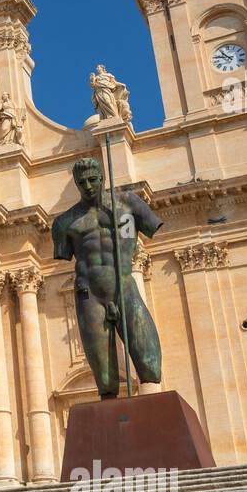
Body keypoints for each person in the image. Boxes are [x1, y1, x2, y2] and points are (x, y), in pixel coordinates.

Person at [51, 156, 163, 398]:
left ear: (102, 177)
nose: (88, 186)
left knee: (148, 358)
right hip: (88, 294)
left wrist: (124, 222)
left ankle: (153, 398)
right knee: (103, 372)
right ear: (76, 185)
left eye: (92, 180)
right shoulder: (65, 222)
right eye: (82, 183)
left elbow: (144, 231)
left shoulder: (127, 204)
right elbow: (64, 255)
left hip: (124, 284)